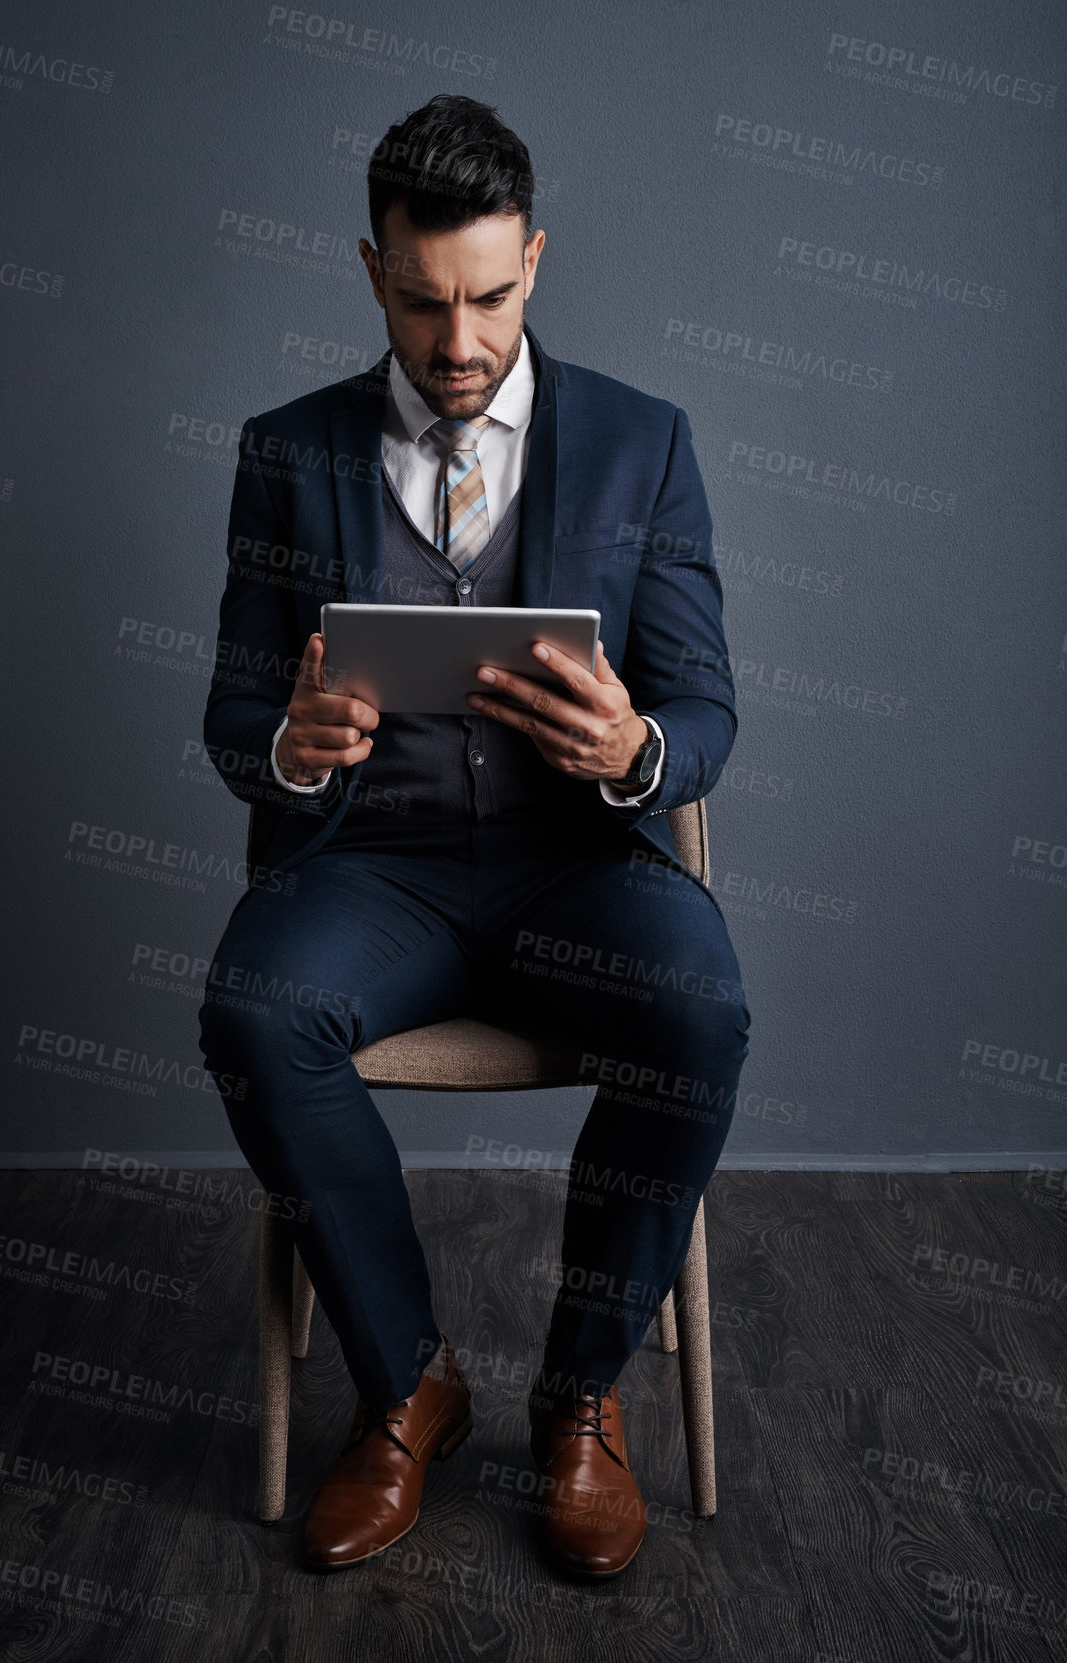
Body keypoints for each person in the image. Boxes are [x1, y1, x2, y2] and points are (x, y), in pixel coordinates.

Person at [198, 93, 751, 1578]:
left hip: (576, 866)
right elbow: (232, 713)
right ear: (371, 271)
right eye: (426, 300)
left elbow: (706, 708)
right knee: (254, 1015)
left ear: (536, 264)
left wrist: (636, 750)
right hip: (371, 872)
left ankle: (578, 1400)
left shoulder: (645, 443)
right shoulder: (285, 452)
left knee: (696, 1008)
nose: (458, 342)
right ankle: (406, 1388)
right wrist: (286, 749)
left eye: (493, 297)